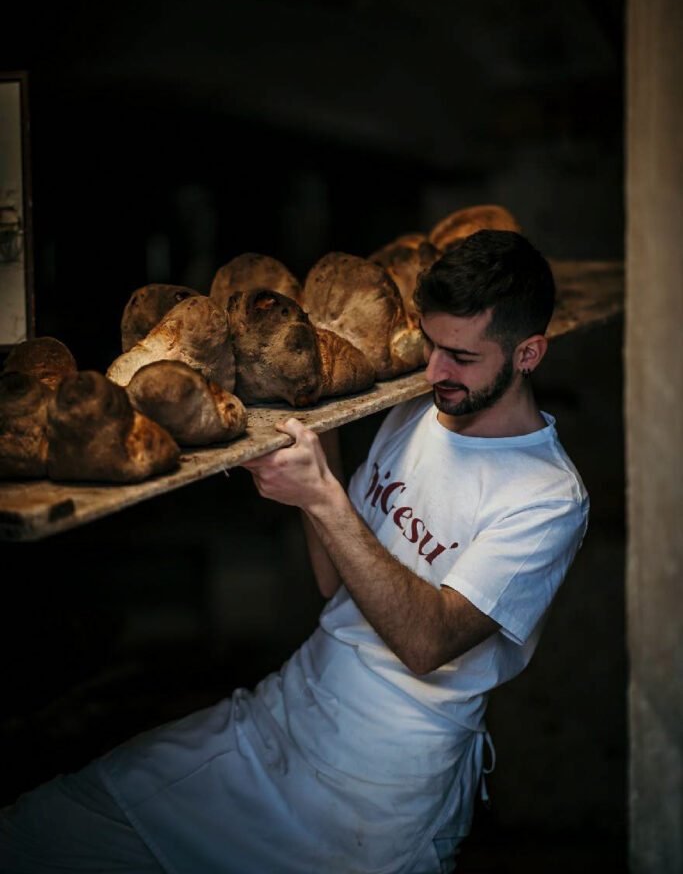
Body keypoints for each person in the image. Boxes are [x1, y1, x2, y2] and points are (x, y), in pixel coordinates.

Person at [1, 230, 589, 874]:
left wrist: (324, 499)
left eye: (461, 357)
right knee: (42, 830)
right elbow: (336, 583)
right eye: (431, 344)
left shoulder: (546, 497)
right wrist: (314, 429)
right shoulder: (421, 411)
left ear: (528, 354)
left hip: (384, 784)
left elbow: (427, 643)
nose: (433, 372)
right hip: (285, 712)